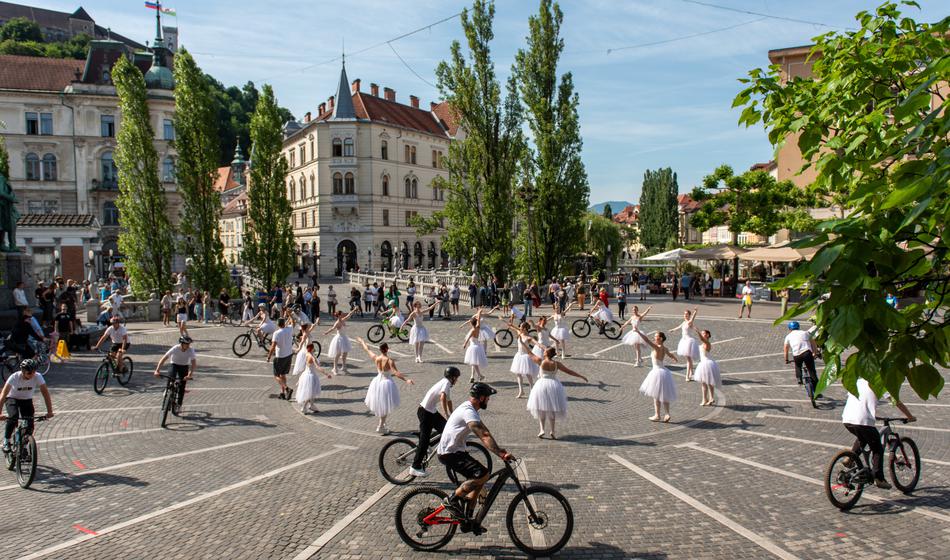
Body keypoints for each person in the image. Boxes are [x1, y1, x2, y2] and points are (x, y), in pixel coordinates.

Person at [438, 382, 512, 535]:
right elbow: (482, 435)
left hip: (456, 450)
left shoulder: (471, 409)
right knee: (483, 475)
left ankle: (469, 521)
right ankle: (451, 500)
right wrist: (500, 454)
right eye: (488, 398)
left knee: (482, 476)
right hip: (449, 452)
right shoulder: (468, 411)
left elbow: (485, 431)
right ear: (481, 398)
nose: (489, 401)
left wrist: (499, 449)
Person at [841, 377, 916, 489]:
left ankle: (850, 458)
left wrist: (872, 415)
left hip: (847, 419)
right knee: (877, 449)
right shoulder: (881, 382)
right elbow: (896, 402)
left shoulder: (859, 380)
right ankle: (879, 478)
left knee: (864, 437)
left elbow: (859, 401)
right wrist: (910, 416)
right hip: (863, 420)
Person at [526, 347, 588, 439]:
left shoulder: (541, 361)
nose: (543, 351)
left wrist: (523, 343)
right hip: (554, 386)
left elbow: (530, 354)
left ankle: (542, 429)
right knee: (552, 409)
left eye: (545, 351)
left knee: (541, 408)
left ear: (547, 354)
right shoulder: (556, 364)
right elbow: (569, 371)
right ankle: (553, 431)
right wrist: (581, 376)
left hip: (541, 386)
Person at [410, 366, 460, 477]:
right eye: (456, 378)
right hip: (425, 412)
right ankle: (415, 466)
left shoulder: (446, 383)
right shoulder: (446, 383)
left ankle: (427, 442)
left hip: (430, 411)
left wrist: (452, 415)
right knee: (424, 440)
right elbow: (443, 398)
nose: (457, 380)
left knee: (446, 428)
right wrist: (446, 414)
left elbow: (449, 400)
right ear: (452, 377)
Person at [357, 337, 414, 434]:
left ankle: (382, 424)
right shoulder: (389, 360)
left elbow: (367, 349)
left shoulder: (376, 358)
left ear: (380, 350)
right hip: (386, 383)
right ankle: (380, 426)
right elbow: (396, 372)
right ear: (387, 349)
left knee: (382, 404)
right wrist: (406, 379)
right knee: (385, 405)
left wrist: (362, 341)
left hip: (377, 382)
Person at [0, 359, 54, 453]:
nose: (32, 375)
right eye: (29, 373)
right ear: (23, 372)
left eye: (34, 372)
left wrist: (50, 411)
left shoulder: (38, 376)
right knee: (13, 417)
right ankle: (6, 441)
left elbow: (45, 394)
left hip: (26, 400)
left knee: (30, 424)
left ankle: (24, 445)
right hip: (12, 398)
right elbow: (3, 394)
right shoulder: (14, 377)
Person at [636, 327, 679, 422]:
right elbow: (670, 354)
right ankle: (667, 413)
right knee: (664, 394)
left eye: (656, 337)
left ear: (660, 339)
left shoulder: (657, 347)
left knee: (656, 395)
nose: (654, 338)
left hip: (657, 372)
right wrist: (674, 358)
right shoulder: (664, 348)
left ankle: (657, 415)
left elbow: (646, 340)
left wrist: (638, 332)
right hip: (664, 372)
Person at [152, 336, 197, 411]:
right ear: (181, 343)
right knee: (171, 378)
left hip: (184, 366)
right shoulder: (175, 348)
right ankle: (167, 391)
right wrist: (157, 370)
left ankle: (178, 405)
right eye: (186, 344)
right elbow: (163, 359)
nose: (188, 345)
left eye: (189, 344)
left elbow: (194, 364)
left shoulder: (191, 350)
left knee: (182, 386)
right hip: (174, 365)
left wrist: (189, 375)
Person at [292, 341, 332, 414]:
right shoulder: (312, 357)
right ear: (312, 348)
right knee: (310, 392)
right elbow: (317, 367)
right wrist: (326, 374)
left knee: (310, 392)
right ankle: (304, 407)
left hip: (305, 374)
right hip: (311, 376)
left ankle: (311, 405)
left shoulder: (306, 354)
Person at [783, 321, 819, 390]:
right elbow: (813, 343)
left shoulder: (788, 337)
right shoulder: (805, 333)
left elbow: (786, 349)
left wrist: (786, 359)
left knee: (798, 366)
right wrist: (814, 353)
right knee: (812, 371)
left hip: (797, 355)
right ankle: (817, 391)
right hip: (807, 353)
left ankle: (799, 379)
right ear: (798, 327)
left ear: (789, 329)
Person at [266, 318, 295, 400]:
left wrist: (269, 356)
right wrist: (289, 314)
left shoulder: (276, 333)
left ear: (278, 324)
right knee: (283, 375)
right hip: (288, 355)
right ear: (284, 324)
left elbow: (273, 346)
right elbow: (293, 322)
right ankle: (283, 393)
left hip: (280, 356)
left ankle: (287, 389)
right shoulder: (289, 329)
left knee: (276, 375)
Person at [508, 322, 538, 399]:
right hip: (519, 355)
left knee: (528, 374)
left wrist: (543, 347)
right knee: (518, 374)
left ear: (524, 328)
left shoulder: (528, 337)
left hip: (525, 356)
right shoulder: (520, 333)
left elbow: (536, 343)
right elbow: (513, 328)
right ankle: (521, 391)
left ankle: (532, 390)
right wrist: (508, 323)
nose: (519, 328)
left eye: (521, 327)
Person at [324, 308, 358, 375]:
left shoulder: (343, 320)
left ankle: (344, 367)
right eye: (341, 314)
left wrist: (354, 310)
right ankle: (334, 368)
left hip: (344, 338)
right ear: (339, 315)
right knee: (338, 354)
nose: (342, 314)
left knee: (345, 353)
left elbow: (349, 315)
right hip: (339, 339)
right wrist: (326, 332)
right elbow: (332, 328)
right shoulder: (337, 323)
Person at [693, 328, 721, 406]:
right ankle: (708, 398)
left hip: (707, 364)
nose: (702, 334)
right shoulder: (703, 344)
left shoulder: (707, 343)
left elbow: (701, 339)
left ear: (708, 335)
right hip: (704, 363)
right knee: (706, 383)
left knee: (706, 383)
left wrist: (697, 331)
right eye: (702, 333)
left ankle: (707, 399)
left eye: (703, 333)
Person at [463, 313, 488, 383]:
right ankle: (473, 376)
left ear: (471, 324)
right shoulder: (478, 327)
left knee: (474, 363)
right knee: (473, 362)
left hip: (473, 347)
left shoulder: (472, 330)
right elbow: (479, 321)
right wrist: (479, 313)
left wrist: (465, 344)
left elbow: (468, 338)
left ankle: (480, 375)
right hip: (478, 346)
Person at [676, 309, 700, 382]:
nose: (685, 315)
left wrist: (695, 312)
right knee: (689, 359)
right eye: (684, 314)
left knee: (689, 360)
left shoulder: (690, 322)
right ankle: (692, 373)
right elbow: (679, 327)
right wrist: (673, 330)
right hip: (684, 341)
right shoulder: (684, 322)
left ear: (689, 315)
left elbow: (693, 318)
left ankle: (687, 376)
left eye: (687, 314)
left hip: (689, 342)